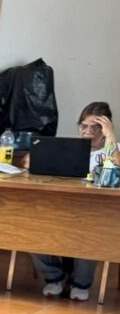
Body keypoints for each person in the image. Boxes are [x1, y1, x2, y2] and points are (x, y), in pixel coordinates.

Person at [31, 102, 118, 301]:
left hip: (97, 212)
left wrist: (111, 136)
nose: (88, 132)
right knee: (32, 227)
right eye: (83, 126)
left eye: (95, 128)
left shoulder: (114, 149)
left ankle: (81, 283)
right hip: (63, 207)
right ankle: (54, 277)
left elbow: (116, 166)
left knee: (90, 232)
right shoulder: (66, 149)